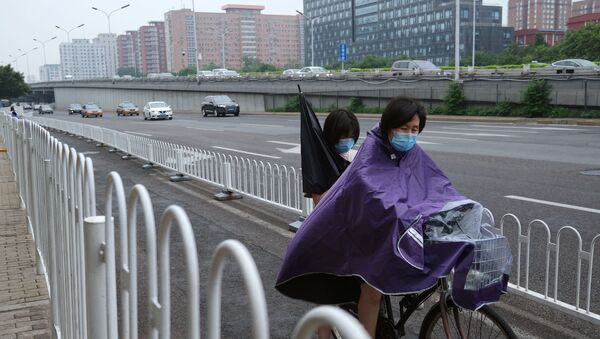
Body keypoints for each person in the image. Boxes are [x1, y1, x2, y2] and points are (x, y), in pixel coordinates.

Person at [277, 97, 510, 338]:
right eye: (403, 128)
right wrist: (406, 216)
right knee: (371, 290)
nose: (409, 135)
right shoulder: (371, 153)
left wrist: (459, 206)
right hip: (355, 233)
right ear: (389, 126)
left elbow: (436, 186)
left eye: (414, 130)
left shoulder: (412, 153)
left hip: (389, 231)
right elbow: (376, 195)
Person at [307, 109, 360, 206]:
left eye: (351, 136)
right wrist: (345, 183)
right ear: (331, 135)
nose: (348, 141)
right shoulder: (319, 162)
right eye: (343, 137)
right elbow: (318, 201)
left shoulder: (357, 157)